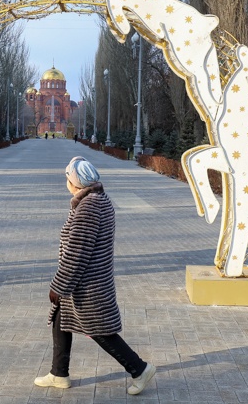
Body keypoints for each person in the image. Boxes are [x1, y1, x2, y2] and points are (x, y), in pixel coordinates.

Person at [34, 157, 156, 395]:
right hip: (83, 280)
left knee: (100, 331)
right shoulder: (97, 199)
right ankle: (59, 374)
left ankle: (140, 369)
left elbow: (77, 252)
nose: (66, 181)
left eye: (67, 177)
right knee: (61, 319)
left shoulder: (89, 206)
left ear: (75, 181)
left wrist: (58, 286)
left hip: (87, 284)